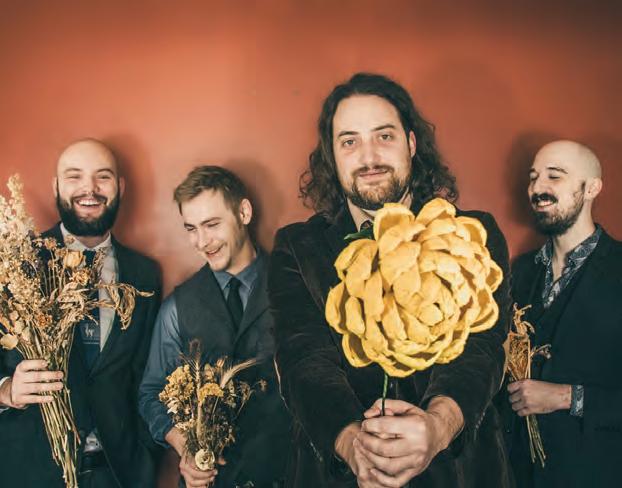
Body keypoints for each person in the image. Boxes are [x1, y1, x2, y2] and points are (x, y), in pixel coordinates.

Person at [268, 72, 513, 487]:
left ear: (411, 143)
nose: (369, 157)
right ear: (332, 155)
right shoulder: (296, 247)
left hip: (458, 473)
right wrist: (353, 446)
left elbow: (483, 348)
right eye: (349, 141)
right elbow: (302, 358)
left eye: (384, 136)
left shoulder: (473, 234)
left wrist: (438, 426)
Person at [0, 138, 161, 487]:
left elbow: (146, 374)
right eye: (74, 176)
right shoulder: (15, 263)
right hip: (31, 471)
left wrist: (147, 457)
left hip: (119, 474)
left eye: (103, 177)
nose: (90, 189)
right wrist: (6, 390)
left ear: (120, 187)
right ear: (56, 186)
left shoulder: (145, 275)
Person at [139, 165, 290, 488]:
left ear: (244, 212)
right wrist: (184, 445)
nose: (201, 241)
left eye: (211, 224)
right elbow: (151, 393)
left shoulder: (292, 287)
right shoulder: (176, 306)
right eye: (191, 228)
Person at [505, 140, 621, 487]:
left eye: (554, 176)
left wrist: (565, 396)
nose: (537, 188)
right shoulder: (520, 271)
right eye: (533, 177)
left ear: (592, 188)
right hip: (517, 475)